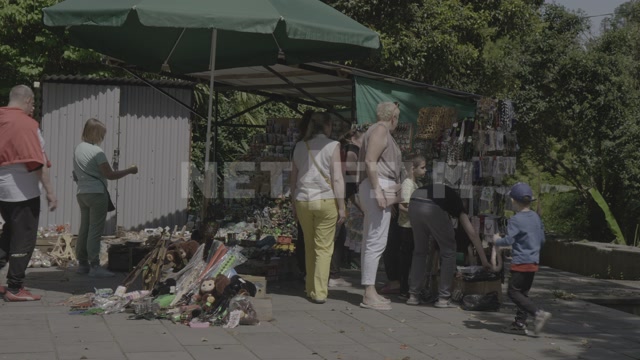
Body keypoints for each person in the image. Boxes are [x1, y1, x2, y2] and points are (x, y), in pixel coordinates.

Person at [0, 85, 57, 301]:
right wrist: (50, 192)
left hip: (2, 190)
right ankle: (15, 288)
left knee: (9, 233)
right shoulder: (26, 124)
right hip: (22, 191)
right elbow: (36, 162)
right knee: (23, 237)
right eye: (33, 104)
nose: (33, 109)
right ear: (27, 100)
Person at [290, 112, 346, 303]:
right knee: (324, 248)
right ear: (328, 126)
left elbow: (293, 178)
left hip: (303, 199)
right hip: (325, 199)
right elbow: (337, 178)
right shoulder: (333, 146)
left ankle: (309, 288)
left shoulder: (299, 146)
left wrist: (293, 203)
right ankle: (320, 292)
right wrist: (342, 205)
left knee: (309, 244)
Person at [407, 182, 490, 307]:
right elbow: (472, 233)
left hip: (414, 202)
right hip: (432, 206)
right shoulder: (457, 203)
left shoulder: (443, 192)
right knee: (449, 251)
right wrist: (484, 261)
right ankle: (443, 298)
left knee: (420, 251)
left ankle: (413, 295)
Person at [73, 118, 138, 277]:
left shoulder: (79, 148)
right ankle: (95, 266)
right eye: (102, 134)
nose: (103, 138)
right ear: (95, 133)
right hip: (97, 194)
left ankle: (82, 264)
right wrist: (130, 170)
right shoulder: (97, 152)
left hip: (82, 193)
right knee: (95, 230)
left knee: (84, 228)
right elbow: (110, 175)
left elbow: (76, 174)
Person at [489, 182, 551, 335]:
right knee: (523, 293)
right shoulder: (536, 217)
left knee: (513, 292)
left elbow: (509, 241)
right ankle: (519, 323)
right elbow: (542, 239)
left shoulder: (515, 220)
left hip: (521, 261)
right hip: (533, 260)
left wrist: (496, 241)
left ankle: (538, 313)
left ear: (512, 201)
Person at [357, 102, 403, 311]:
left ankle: (370, 290)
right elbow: (370, 161)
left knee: (372, 240)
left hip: (377, 186)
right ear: (393, 116)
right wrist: (377, 189)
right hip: (379, 185)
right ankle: (369, 292)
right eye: (398, 117)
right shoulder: (381, 130)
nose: (398, 121)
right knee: (376, 241)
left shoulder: (375, 130)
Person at [329, 128, 364, 288]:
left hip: (338, 197)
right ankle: (333, 275)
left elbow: (350, 192)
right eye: (364, 140)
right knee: (337, 237)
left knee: (337, 237)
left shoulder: (343, 148)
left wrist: (361, 207)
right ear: (355, 138)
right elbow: (350, 166)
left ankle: (333, 273)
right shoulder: (351, 149)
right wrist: (364, 175)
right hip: (337, 198)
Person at [396, 154, 426, 300]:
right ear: (413, 169)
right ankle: (404, 287)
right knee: (406, 258)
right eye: (422, 167)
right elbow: (402, 206)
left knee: (409, 258)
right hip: (406, 227)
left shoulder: (415, 184)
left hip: (412, 226)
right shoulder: (408, 184)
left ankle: (407, 286)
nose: (425, 170)